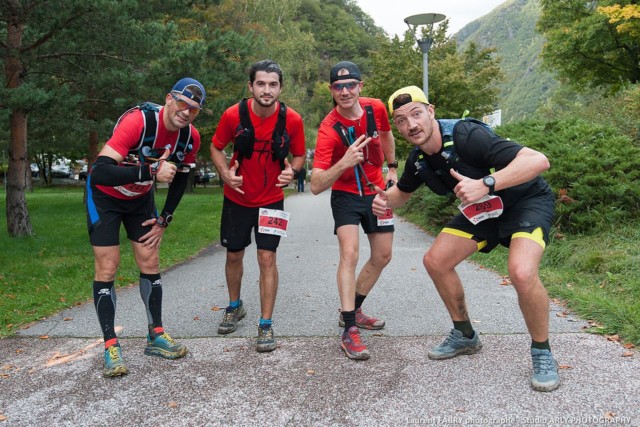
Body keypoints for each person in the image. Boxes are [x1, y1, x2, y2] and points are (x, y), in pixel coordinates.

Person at [373, 85, 560, 391]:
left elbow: (538, 161)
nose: (411, 125)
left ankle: (542, 352)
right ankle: (465, 335)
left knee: (522, 272)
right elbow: (401, 194)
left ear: (431, 111)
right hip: (484, 211)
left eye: (416, 114)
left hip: (525, 202)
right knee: (436, 261)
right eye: (402, 121)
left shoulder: (467, 135)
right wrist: (383, 200)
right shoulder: (419, 158)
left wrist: (487, 182)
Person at [86, 77, 205, 377]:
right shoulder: (138, 122)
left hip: (139, 200)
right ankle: (111, 345)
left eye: (194, 109)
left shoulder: (190, 137)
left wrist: (165, 218)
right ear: (169, 98)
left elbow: (180, 178)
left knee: (150, 259)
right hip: (105, 199)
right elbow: (99, 172)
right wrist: (151, 169)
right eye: (182, 103)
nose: (186, 112)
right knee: (108, 267)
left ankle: (156, 335)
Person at [211, 60, 306, 352]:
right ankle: (234, 305)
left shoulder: (292, 120)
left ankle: (265, 324)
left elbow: (300, 156)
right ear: (251, 86)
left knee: (267, 259)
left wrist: (293, 172)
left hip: (273, 201)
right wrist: (224, 173)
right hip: (236, 198)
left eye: (273, 84)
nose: (267, 90)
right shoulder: (232, 115)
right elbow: (215, 147)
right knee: (234, 255)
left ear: (280, 87)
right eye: (261, 84)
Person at [310, 61, 397, 360]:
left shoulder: (375, 109)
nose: (345, 91)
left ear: (361, 86)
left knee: (383, 255)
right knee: (350, 254)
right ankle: (349, 329)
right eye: (338, 86)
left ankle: (354, 309)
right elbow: (316, 184)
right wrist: (344, 162)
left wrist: (393, 168)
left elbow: (386, 135)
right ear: (332, 90)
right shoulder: (328, 129)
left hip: (377, 193)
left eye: (350, 85)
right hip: (346, 196)